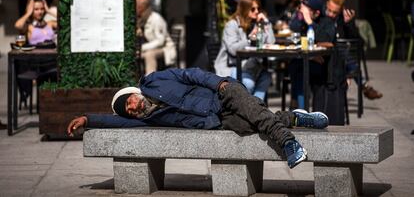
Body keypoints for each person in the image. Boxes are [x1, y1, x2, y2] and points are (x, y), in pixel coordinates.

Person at [67, 67, 329, 169]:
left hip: (222, 94)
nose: (133, 108)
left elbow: (191, 74)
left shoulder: (156, 80)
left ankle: (289, 143)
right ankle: (294, 118)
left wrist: (218, 83)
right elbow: (116, 121)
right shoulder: (148, 118)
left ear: (133, 93)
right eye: (129, 110)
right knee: (254, 122)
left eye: (131, 103)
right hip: (216, 121)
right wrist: (88, 119)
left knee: (253, 113)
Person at [214, 0, 275, 100]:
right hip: (231, 66)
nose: (256, 12)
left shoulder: (258, 24)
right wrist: (250, 38)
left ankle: (255, 111)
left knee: (266, 77)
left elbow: (270, 43)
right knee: (248, 83)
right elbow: (233, 50)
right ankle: (250, 110)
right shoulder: (232, 25)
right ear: (244, 9)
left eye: (258, 8)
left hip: (251, 66)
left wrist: (266, 23)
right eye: (253, 9)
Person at [325, 0, 383, 100]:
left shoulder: (342, 20)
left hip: (339, 59)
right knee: (343, 53)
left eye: (335, 12)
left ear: (341, 9)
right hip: (325, 56)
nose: (331, 14)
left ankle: (357, 82)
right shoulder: (321, 17)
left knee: (343, 52)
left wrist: (349, 23)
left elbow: (359, 42)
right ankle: (364, 85)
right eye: (329, 10)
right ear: (327, 4)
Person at [288, 0, 336, 109]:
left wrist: (310, 22)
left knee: (298, 68)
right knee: (296, 66)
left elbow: (327, 40)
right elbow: (295, 32)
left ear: (317, 13)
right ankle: (300, 108)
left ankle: (298, 106)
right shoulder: (302, 22)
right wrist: (300, 15)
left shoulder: (327, 22)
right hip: (308, 60)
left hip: (324, 65)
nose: (303, 13)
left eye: (306, 11)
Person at [136, 0, 176, 75]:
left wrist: (142, 48)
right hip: (145, 48)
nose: (135, 8)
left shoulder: (156, 18)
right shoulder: (140, 19)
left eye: (137, 5)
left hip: (163, 48)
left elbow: (160, 41)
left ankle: (150, 79)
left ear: (142, 7)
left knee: (149, 54)